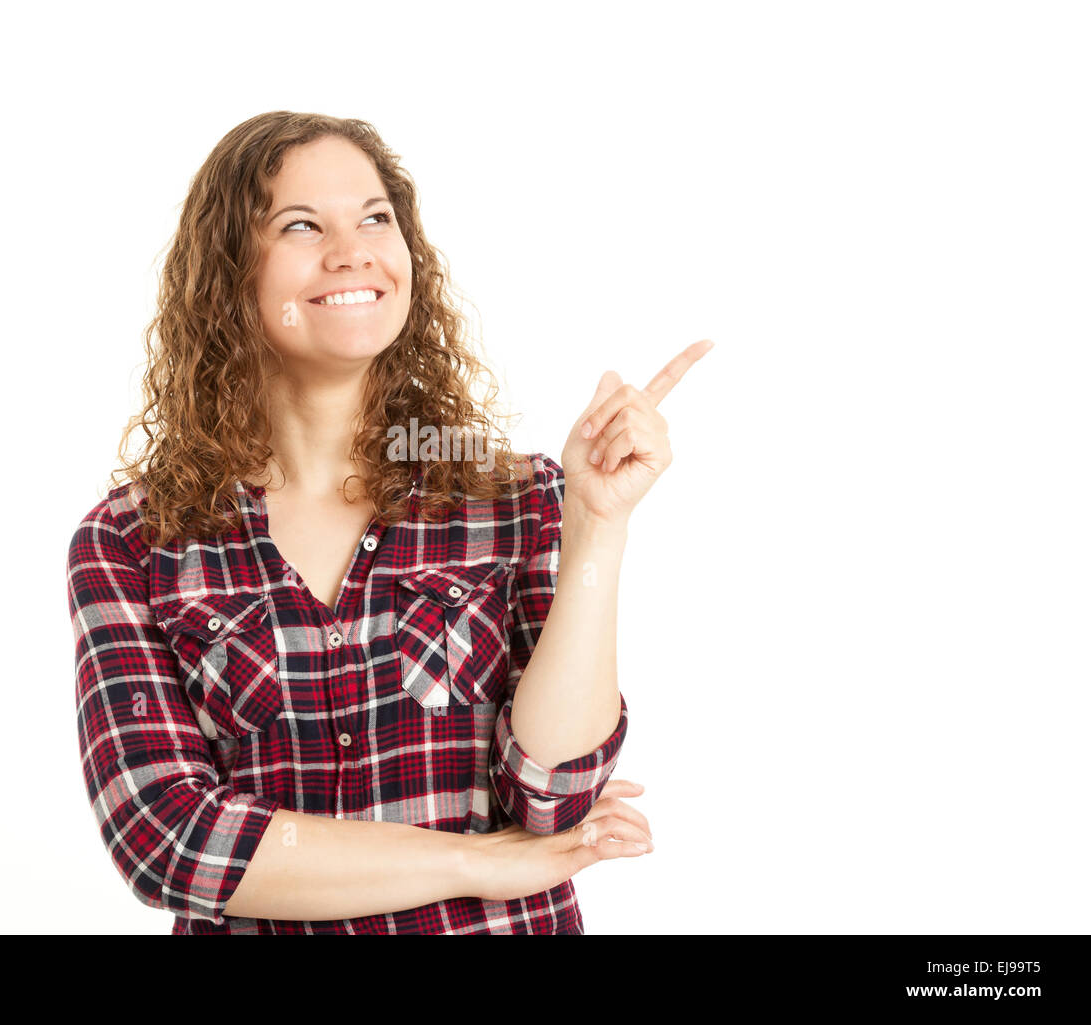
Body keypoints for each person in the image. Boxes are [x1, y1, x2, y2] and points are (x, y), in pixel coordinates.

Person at [65, 110, 712, 934]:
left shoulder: (511, 498)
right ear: (229, 271)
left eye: (376, 218)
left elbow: (552, 798)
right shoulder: (131, 543)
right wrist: (474, 859)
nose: (354, 251)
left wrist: (596, 526)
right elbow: (171, 840)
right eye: (302, 225)